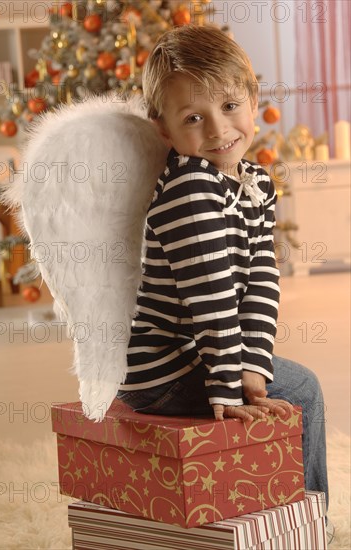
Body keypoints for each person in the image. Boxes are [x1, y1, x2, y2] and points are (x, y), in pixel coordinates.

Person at [117, 25, 329, 518]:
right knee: (304, 389)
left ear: (254, 102)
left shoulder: (254, 183)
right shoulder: (190, 189)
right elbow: (211, 296)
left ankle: (287, 515)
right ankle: (309, 516)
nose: (217, 130)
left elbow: (260, 280)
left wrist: (253, 367)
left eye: (230, 107)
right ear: (164, 130)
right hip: (162, 369)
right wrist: (228, 384)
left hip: (205, 355)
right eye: (194, 117)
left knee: (278, 379)